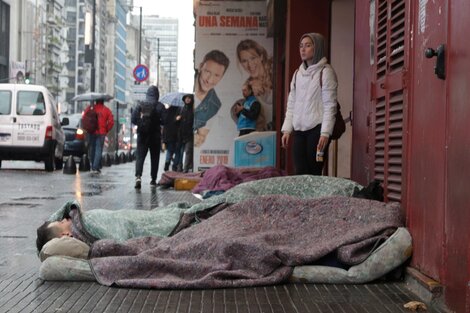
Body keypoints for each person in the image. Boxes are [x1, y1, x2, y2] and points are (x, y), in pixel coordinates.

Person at [281, 33, 338, 175]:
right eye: (301, 46)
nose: (303, 49)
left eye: (308, 45)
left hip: (317, 130)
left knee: (314, 172)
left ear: (317, 48)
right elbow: (292, 104)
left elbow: (330, 105)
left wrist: (325, 133)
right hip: (299, 130)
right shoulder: (297, 74)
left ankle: (316, 199)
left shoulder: (326, 72)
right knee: (299, 172)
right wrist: (287, 130)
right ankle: (302, 199)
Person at [131, 85, 166, 188]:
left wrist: (141, 123)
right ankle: (153, 179)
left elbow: (133, 119)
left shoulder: (140, 104)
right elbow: (164, 121)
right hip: (155, 136)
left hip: (142, 135)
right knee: (155, 158)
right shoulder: (160, 106)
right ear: (157, 95)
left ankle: (138, 176)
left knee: (140, 157)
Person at [193, 50, 230, 147]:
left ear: (222, 77)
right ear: (201, 67)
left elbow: (200, 139)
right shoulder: (187, 81)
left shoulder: (214, 105)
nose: (210, 80)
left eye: (217, 75)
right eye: (207, 72)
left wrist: (195, 138)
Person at [236, 39, 273, 130]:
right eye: (244, 61)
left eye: (253, 58)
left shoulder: (274, 68)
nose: (250, 64)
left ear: (260, 56)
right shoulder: (248, 86)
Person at [83, 99, 114, 174]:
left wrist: (87, 128)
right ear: (103, 102)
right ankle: (95, 167)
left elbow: (84, 117)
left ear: (96, 101)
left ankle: (93, 164)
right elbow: (111, 122)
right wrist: (106, 129)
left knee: (92, 149)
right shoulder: (106, 110)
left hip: (91, 131)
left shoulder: (90, 108)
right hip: (101, 132)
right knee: (98, 149)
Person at [162, 105, 182, 172]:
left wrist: (164, 139)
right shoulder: (180, 112)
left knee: (169, 151)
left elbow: (164, 125)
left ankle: (167, 164)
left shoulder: (167, 111)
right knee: (177, 152)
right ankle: (174, 166)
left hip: (168, 136)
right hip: (177, 135)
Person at [178, 94, 195, 172]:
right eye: (186, 98)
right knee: (180, 152)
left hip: (189, 134)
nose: (187, 100)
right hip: (181, 134)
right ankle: (179, 167)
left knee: (188, 151)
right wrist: (177, 119)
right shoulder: (182, 109)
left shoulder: (193, 109)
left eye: (189, 98)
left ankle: (186, 168)